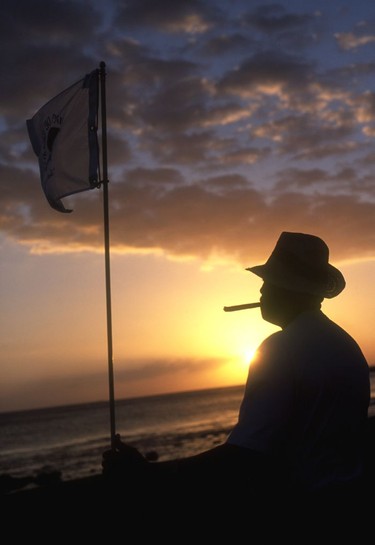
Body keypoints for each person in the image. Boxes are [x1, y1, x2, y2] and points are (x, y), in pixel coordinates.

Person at [102, 232, 370, 517]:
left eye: (269, 282)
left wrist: (150, 474)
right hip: (351, 505)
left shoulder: (280, 349)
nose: (261, 292)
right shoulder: (347, 346)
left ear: (290, 288)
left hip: (304, 511)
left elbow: (245, 457)